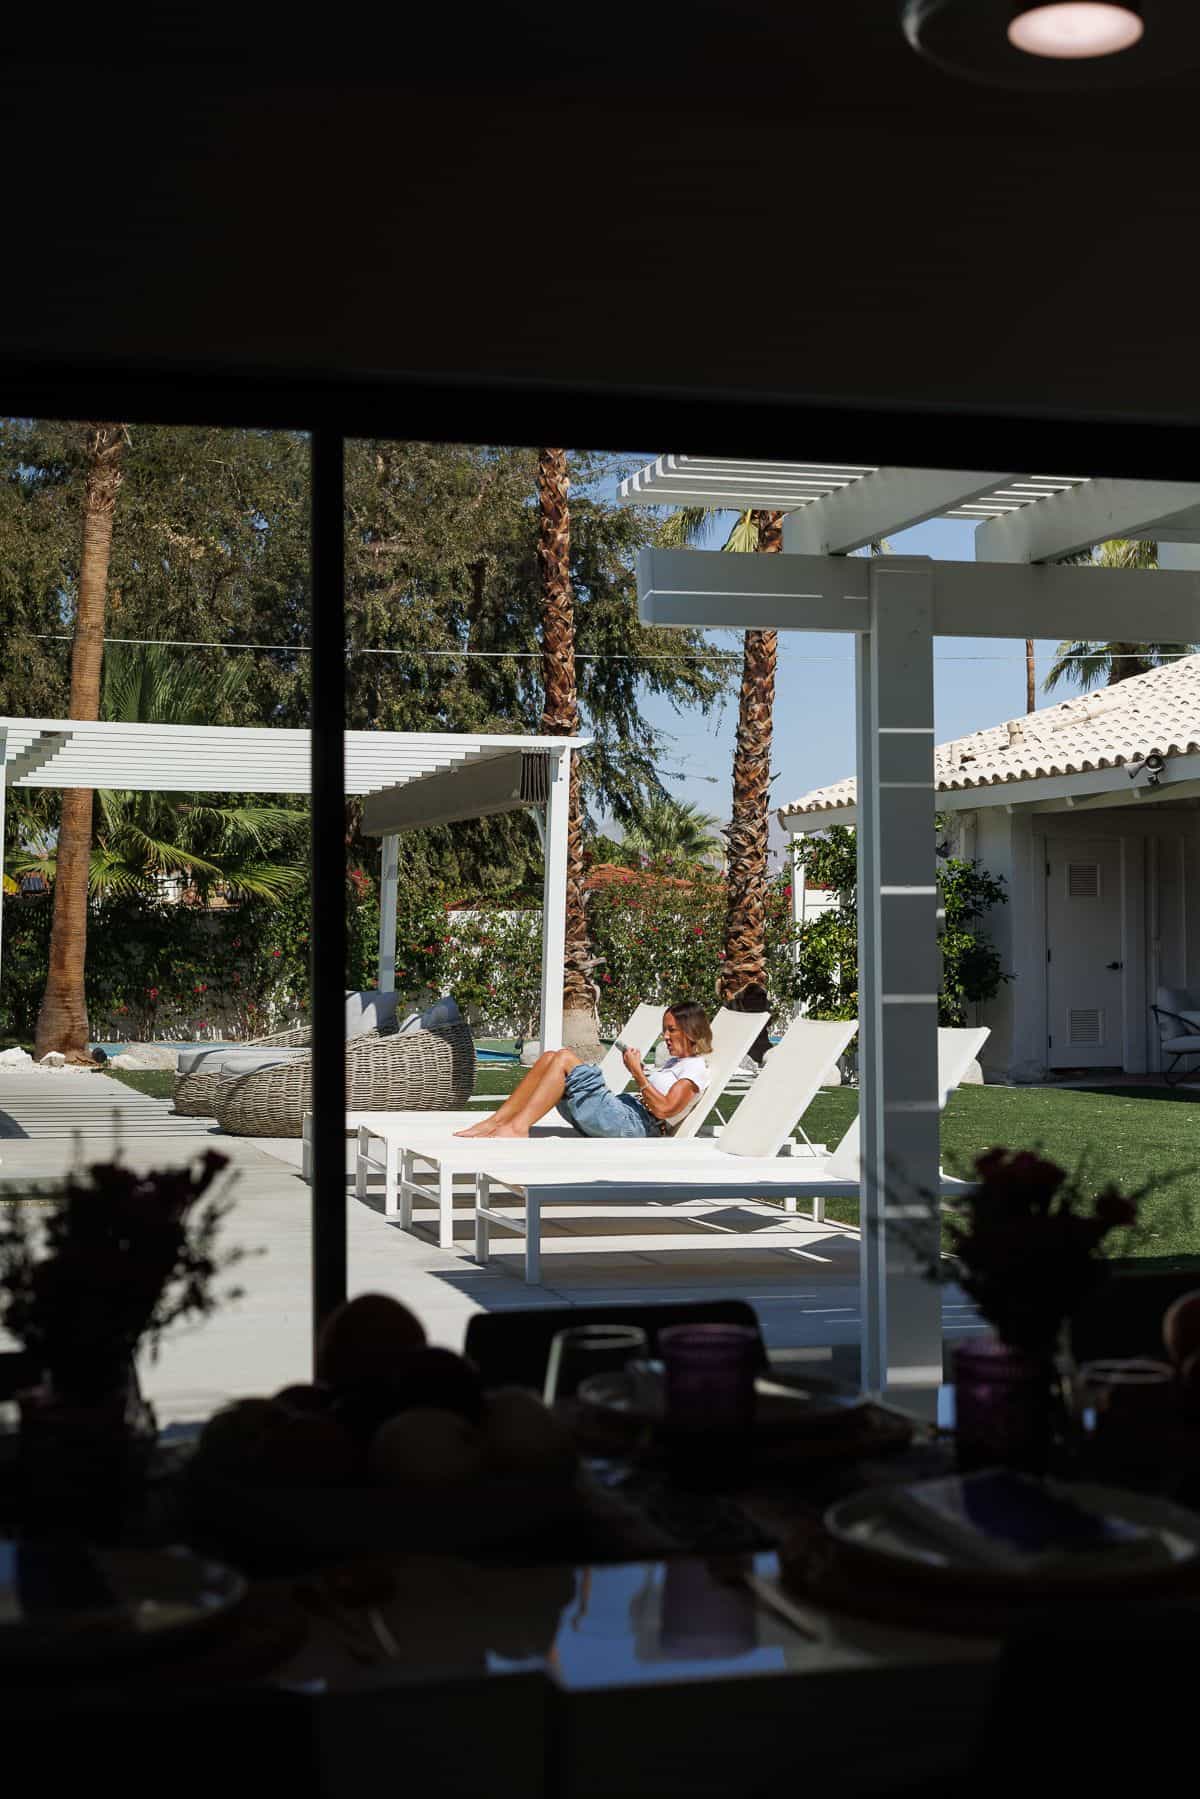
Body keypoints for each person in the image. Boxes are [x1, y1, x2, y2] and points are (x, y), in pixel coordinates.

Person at [454, 1001, 713, 1139]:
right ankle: (497, 1121)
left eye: (672, 1030)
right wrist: (640, 1071)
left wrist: (637, 1074)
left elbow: (667, 1109)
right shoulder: (675, 1063)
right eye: (665, 1029)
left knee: (565, 1057)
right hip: (623, 1112)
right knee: (550, 1058)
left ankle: (517, 1128)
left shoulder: (696, 1068)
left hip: (634, 1125)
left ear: (691, 1031)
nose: (665, 1035)